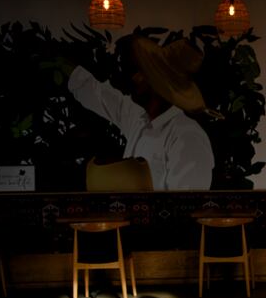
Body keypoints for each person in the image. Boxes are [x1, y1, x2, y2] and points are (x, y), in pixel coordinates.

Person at [67, 36, 213, 191]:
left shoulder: (187, 136)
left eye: (143, 72)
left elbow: (187, 205)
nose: (134, 78)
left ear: (158, 85)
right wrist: (62, 65)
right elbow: (99, 95)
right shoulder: (138, 118)